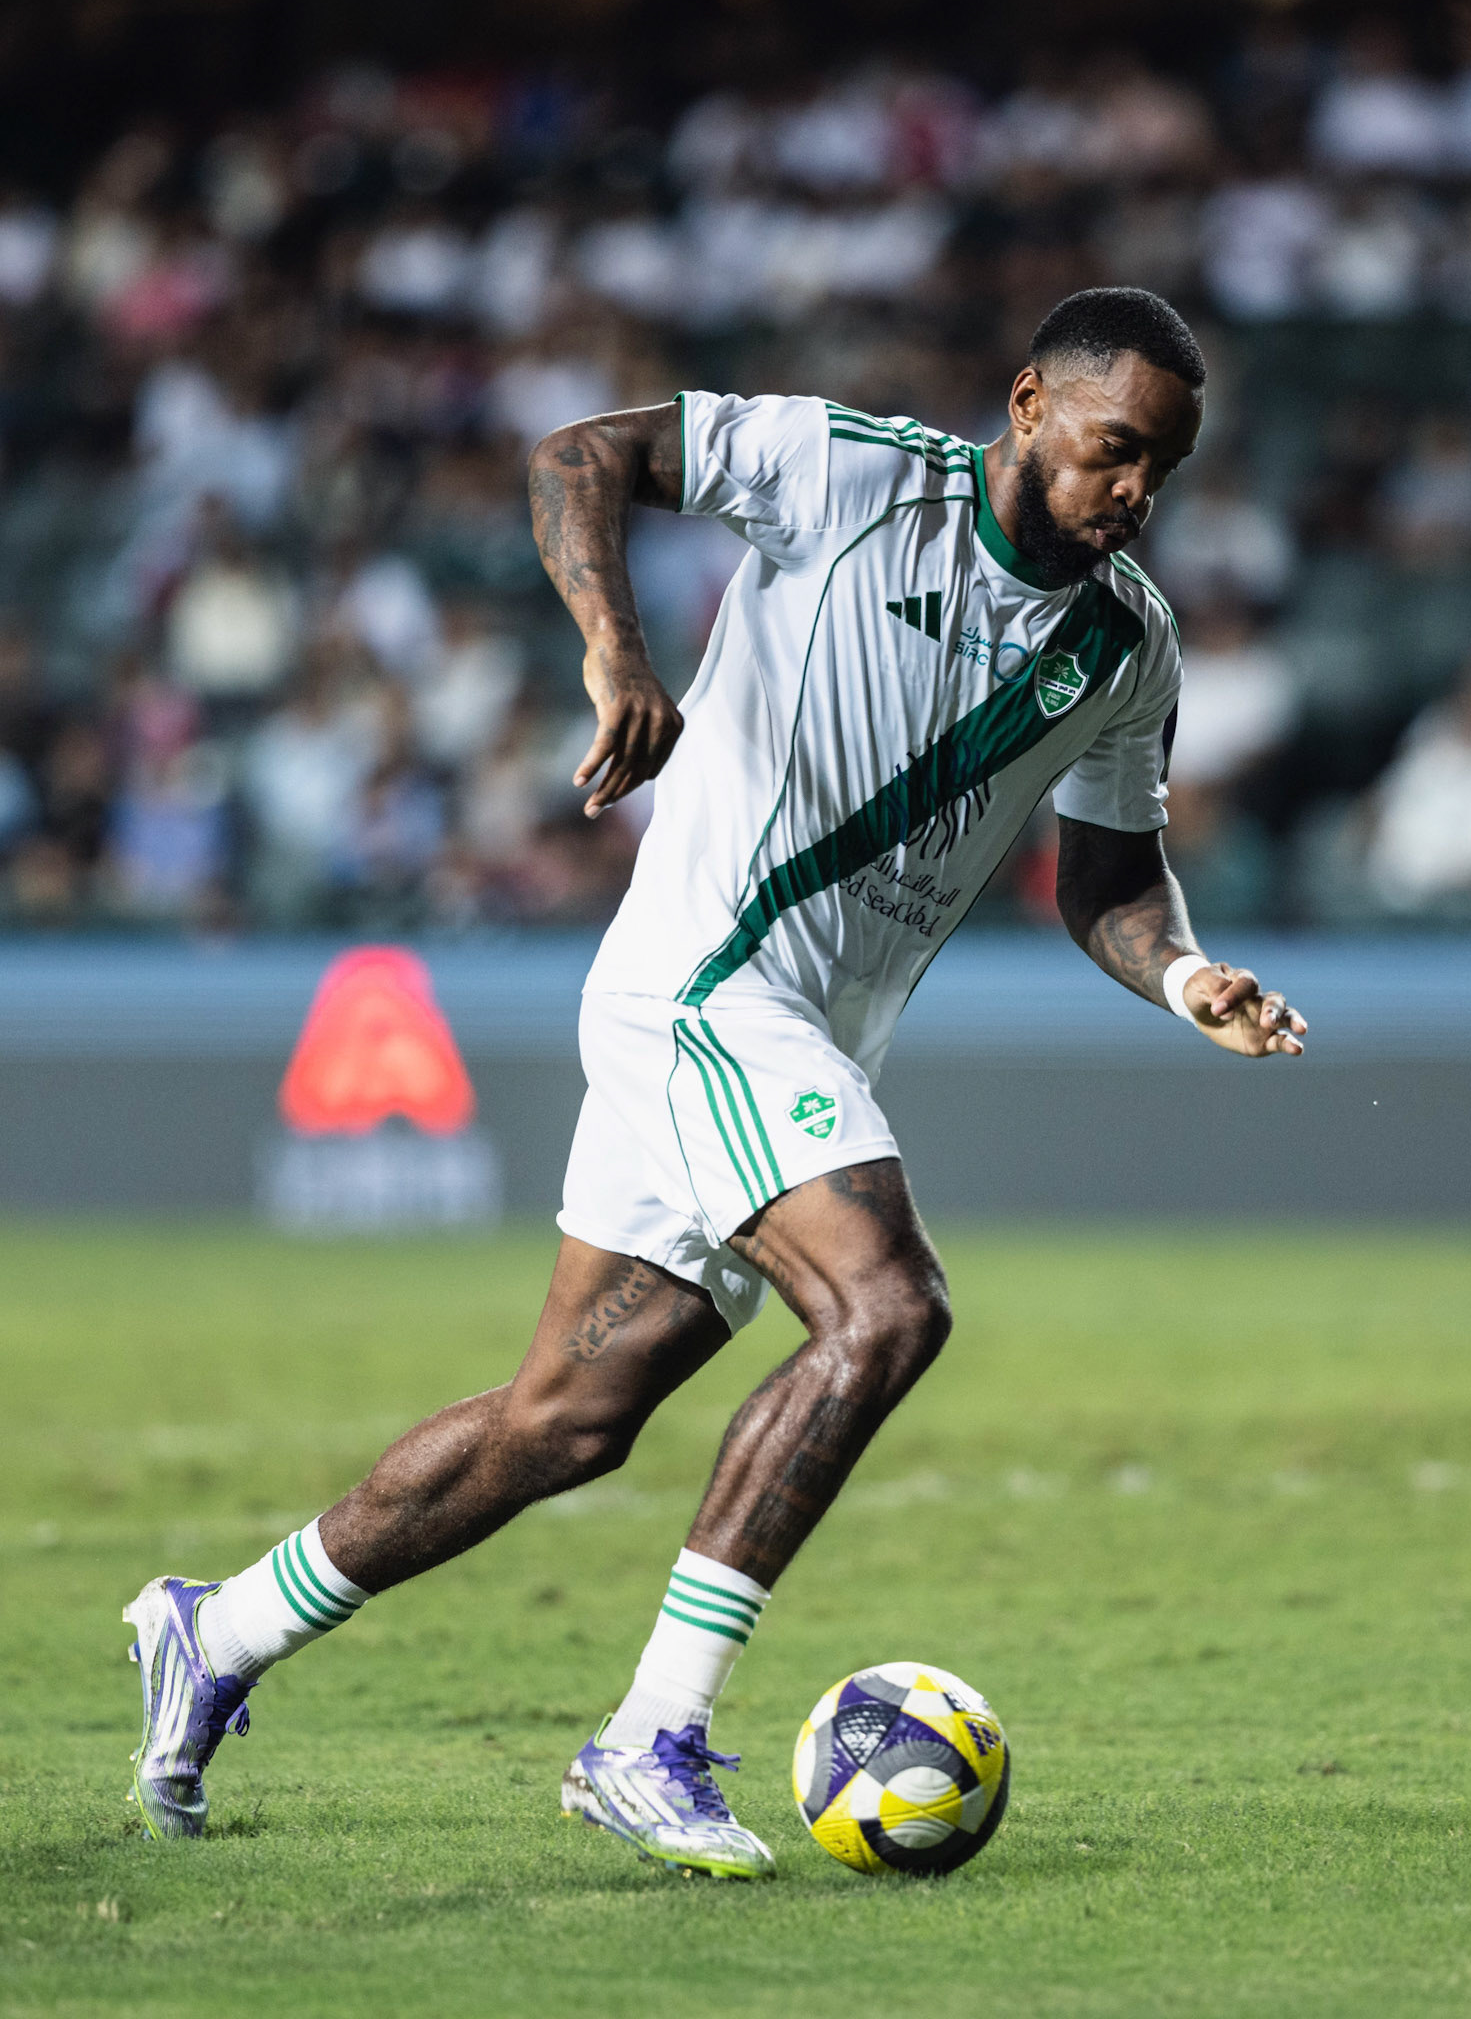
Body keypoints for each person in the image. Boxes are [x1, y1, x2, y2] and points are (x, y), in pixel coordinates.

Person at [123, 287, 1308, 1877]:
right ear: (1028, 404)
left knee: (566, 1420)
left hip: (801, 1035)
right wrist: (616, 653)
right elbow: (579, 454)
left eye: (1162, 465)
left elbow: (1106, 879)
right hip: (705, 991)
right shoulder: (850, 472)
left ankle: (216, 1631)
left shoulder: (1124, 644)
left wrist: (1182, 976)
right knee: (886, 1309)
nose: (1136, 489)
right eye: (1115, 447)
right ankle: (649, 1736)